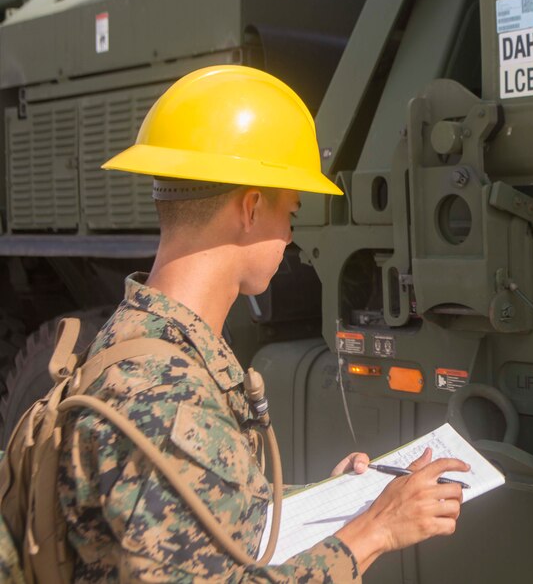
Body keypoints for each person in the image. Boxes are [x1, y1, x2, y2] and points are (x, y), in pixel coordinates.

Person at [56, 66, 468, 581]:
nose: (290, 237)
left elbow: (201, 517)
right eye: (291, 213)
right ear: (250, 208)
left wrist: (335, 501)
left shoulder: (159, 344)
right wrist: (374, 532)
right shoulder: (159, 394)